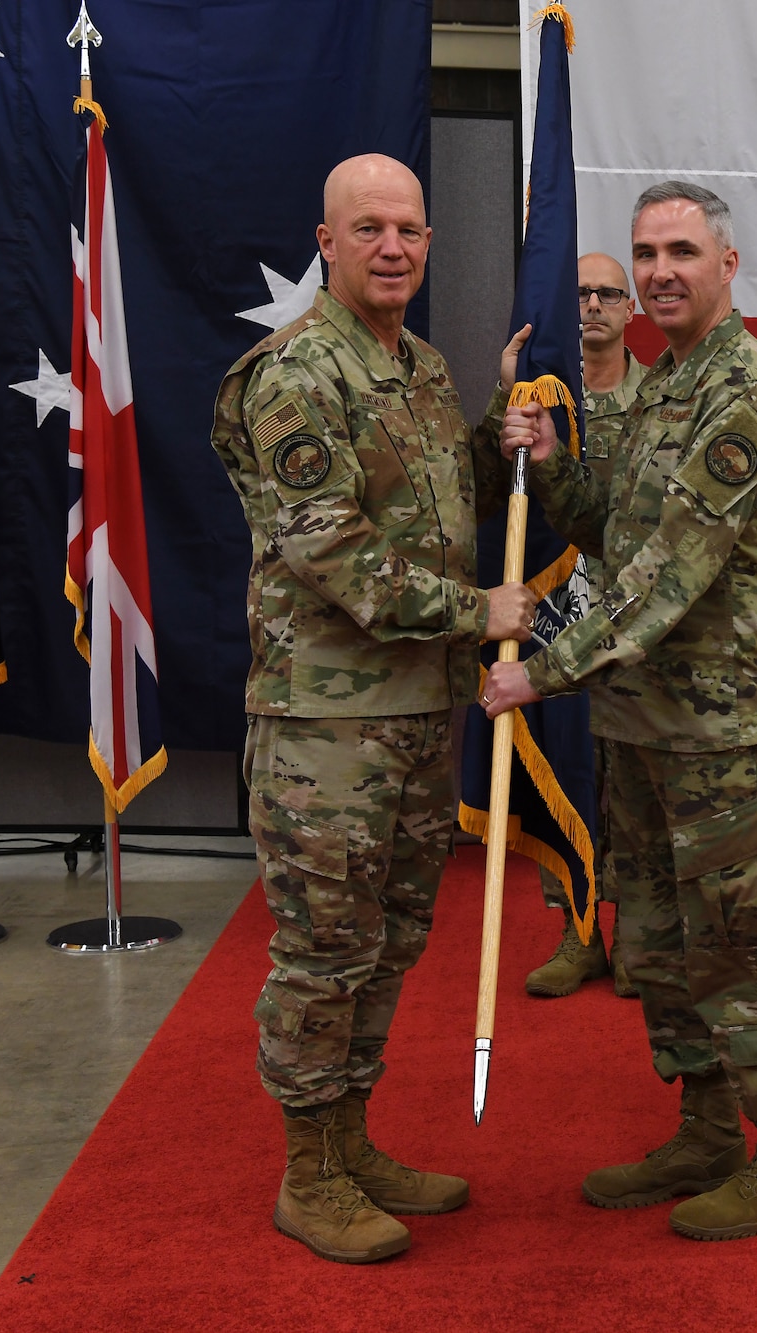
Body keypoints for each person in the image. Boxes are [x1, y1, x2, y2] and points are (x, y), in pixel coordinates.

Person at [484, 181, 757, 1241]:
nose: (659, 271)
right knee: (662, 943)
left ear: (728, 263)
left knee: (746, 943)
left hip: (724, 727)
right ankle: (706, 1126)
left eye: (682, 249)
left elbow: (668, 575)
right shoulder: (656, 389)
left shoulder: (746, 395)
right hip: (643, 720)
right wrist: (554, 468)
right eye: (645, 253)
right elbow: (614, 528)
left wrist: (540, 672)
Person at [209, 153, 537, 1265]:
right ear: (328, 241)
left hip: (412, 716)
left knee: (391, 940)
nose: (392, 245)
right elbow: (334, 554)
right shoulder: (296, 376)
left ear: (428, 244)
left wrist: (509, 438)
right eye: (370, 228)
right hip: (323, 731)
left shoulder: (424, 372)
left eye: (409, 228)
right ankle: (308, 1174)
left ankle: (351, 1143)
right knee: (322, 951)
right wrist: (478, 608)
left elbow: (444, 505)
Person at [523, 251, 650, 1000]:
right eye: (580, 293)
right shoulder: (547, 401)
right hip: (559, 617)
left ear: (630, 310)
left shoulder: (658, 399)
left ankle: (634, 934)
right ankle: (577, 933)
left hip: (632, 616)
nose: (594, 304)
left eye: (608, 293)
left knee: (633, 782)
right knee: (565, 771)